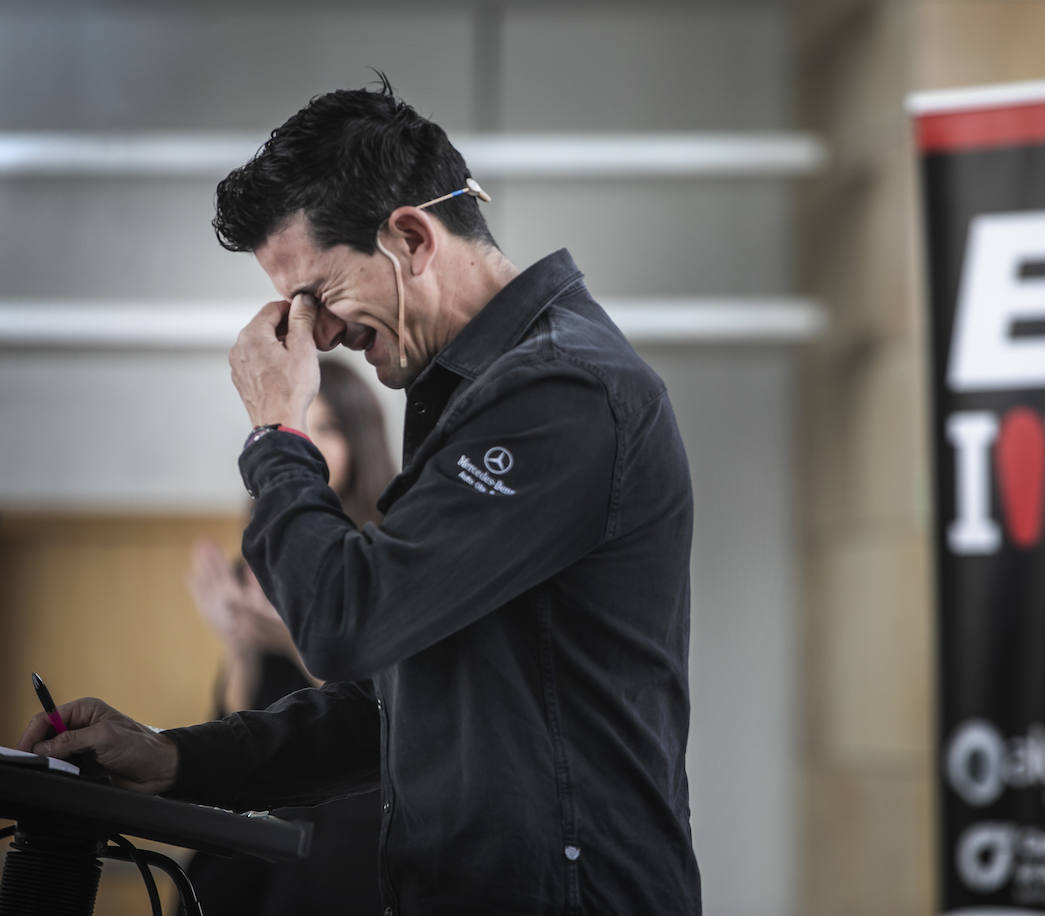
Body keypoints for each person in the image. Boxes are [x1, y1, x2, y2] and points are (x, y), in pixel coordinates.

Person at [19, 76, 700, 915]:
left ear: (411, 237)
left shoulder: (563, 391)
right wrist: (174, 758)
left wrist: (278, 432)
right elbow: (396, 705)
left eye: (321, 296)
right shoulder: (472, 396)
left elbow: (346, 625)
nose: (321, 334)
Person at [182, 358, 394, 916]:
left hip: (350, 804)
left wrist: (296, 638)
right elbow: (236, 712)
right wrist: (240, 644)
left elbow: (374, 707)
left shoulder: (384, 554)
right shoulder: (265, 554)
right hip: (265, 793)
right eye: (300, 429)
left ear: (359, 437)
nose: (313, 448)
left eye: (327, 429)